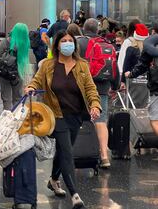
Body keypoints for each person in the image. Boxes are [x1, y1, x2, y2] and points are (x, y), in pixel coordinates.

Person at [25, 30, 101, 209]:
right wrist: (30, 87)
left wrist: (95, 104)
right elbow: (36, 80)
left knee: (63, 151)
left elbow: (90, 88)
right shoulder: (48, 65)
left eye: (70, 41)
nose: (68, 43)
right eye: (64, 41)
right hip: (55, 115)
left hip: (75, 116)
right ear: (57, 45)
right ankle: (75, 195)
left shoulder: (82, 65)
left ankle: (53, 180)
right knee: (67, 152)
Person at [77, 18, 120, 168]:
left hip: (82, 88)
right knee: (101, 120)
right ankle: (104, 156)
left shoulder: (79, 43)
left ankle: (79, 153)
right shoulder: (107, 44)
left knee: (80, 120)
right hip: (102, 87)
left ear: (84, 29)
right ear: (97, 30)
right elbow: (115, 67)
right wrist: (114, 86)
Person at [125, 36, 158, 136]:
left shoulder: (150, 45)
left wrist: (131, 74)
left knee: (155, 120)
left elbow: (142, 65)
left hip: (156, 89)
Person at [0, 23, 31, 110]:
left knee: (6, 99)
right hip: (18, 73)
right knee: (18, 98)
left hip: (4, 73)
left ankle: (7, 119)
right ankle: (16, 120)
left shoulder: (5, 41)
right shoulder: (25, 44)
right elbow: (24, 61)